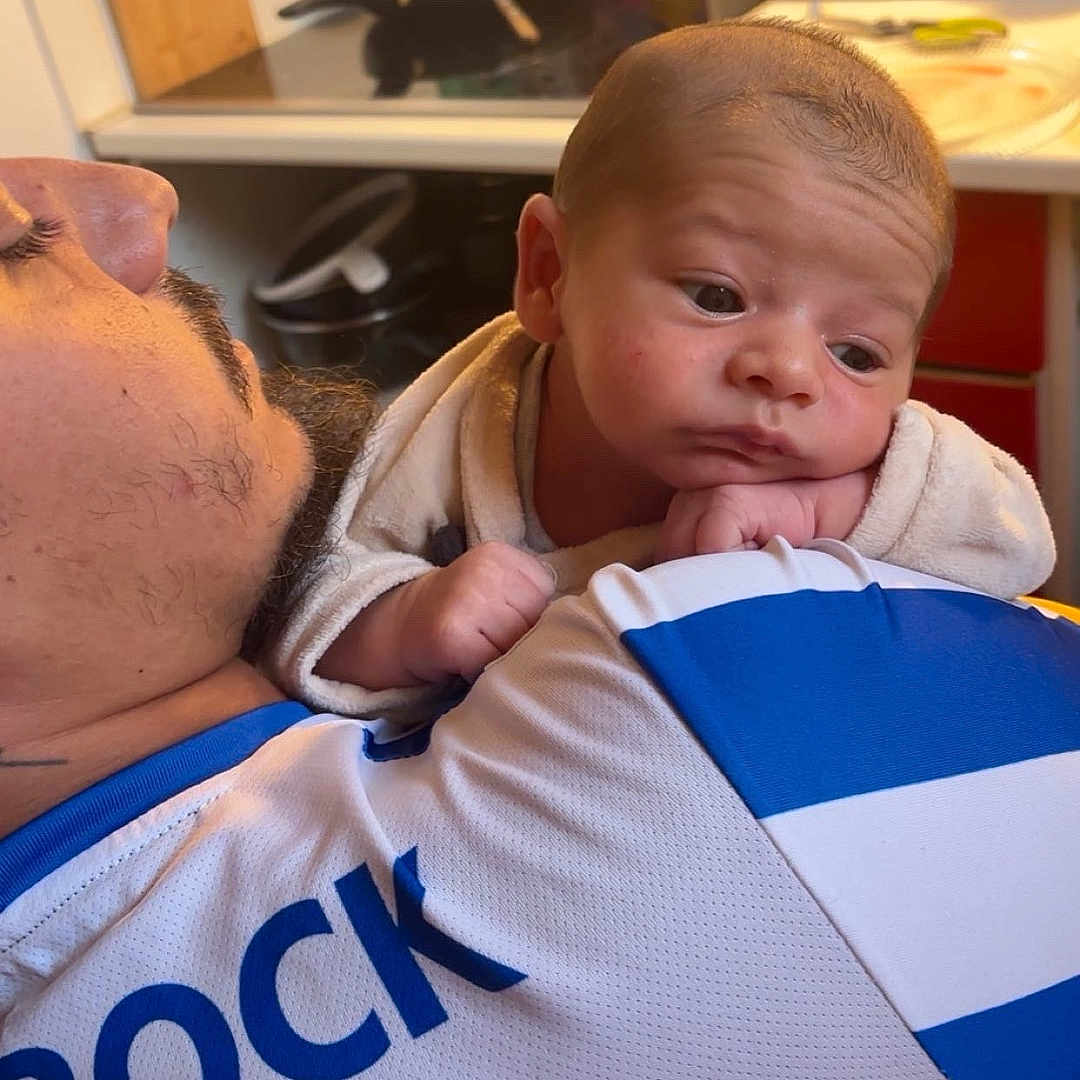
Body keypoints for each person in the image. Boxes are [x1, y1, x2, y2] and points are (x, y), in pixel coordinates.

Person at [2, 155, 1079, 1080]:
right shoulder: (704, 686)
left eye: (858, 353)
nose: (138, 201)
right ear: (548, 271)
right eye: (11, 244)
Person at [267, 18, 1055, 719]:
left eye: (856, 354)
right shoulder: (456, 429)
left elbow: (1014, 540)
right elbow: (302, 604)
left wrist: (828, 511)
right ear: (549, 273)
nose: (787, 373)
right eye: (718, 296)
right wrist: (401, 622)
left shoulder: (863, 469)